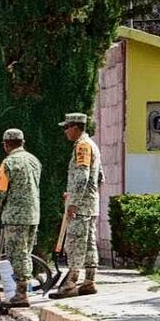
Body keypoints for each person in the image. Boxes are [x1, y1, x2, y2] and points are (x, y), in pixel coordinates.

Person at [51, 113, 104, 299]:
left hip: (80, 206)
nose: (65, 131)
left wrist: (73, 201)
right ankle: (89, 281)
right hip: (90, 203)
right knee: (89, 242)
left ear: (75, 127)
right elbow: (99, 178)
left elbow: (82, 176)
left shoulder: (82, 146)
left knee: (74, 243)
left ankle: (71, 283)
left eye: (67, 128)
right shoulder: (93, 146)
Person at [0, 129, 42, 308]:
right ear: (23, 142)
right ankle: (24, 289)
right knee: (26, 253)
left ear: (6, 144)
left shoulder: (8, 163)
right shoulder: (34, 160)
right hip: (33, 214)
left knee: (16, 254)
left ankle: (21, 293)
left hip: (14, 216)